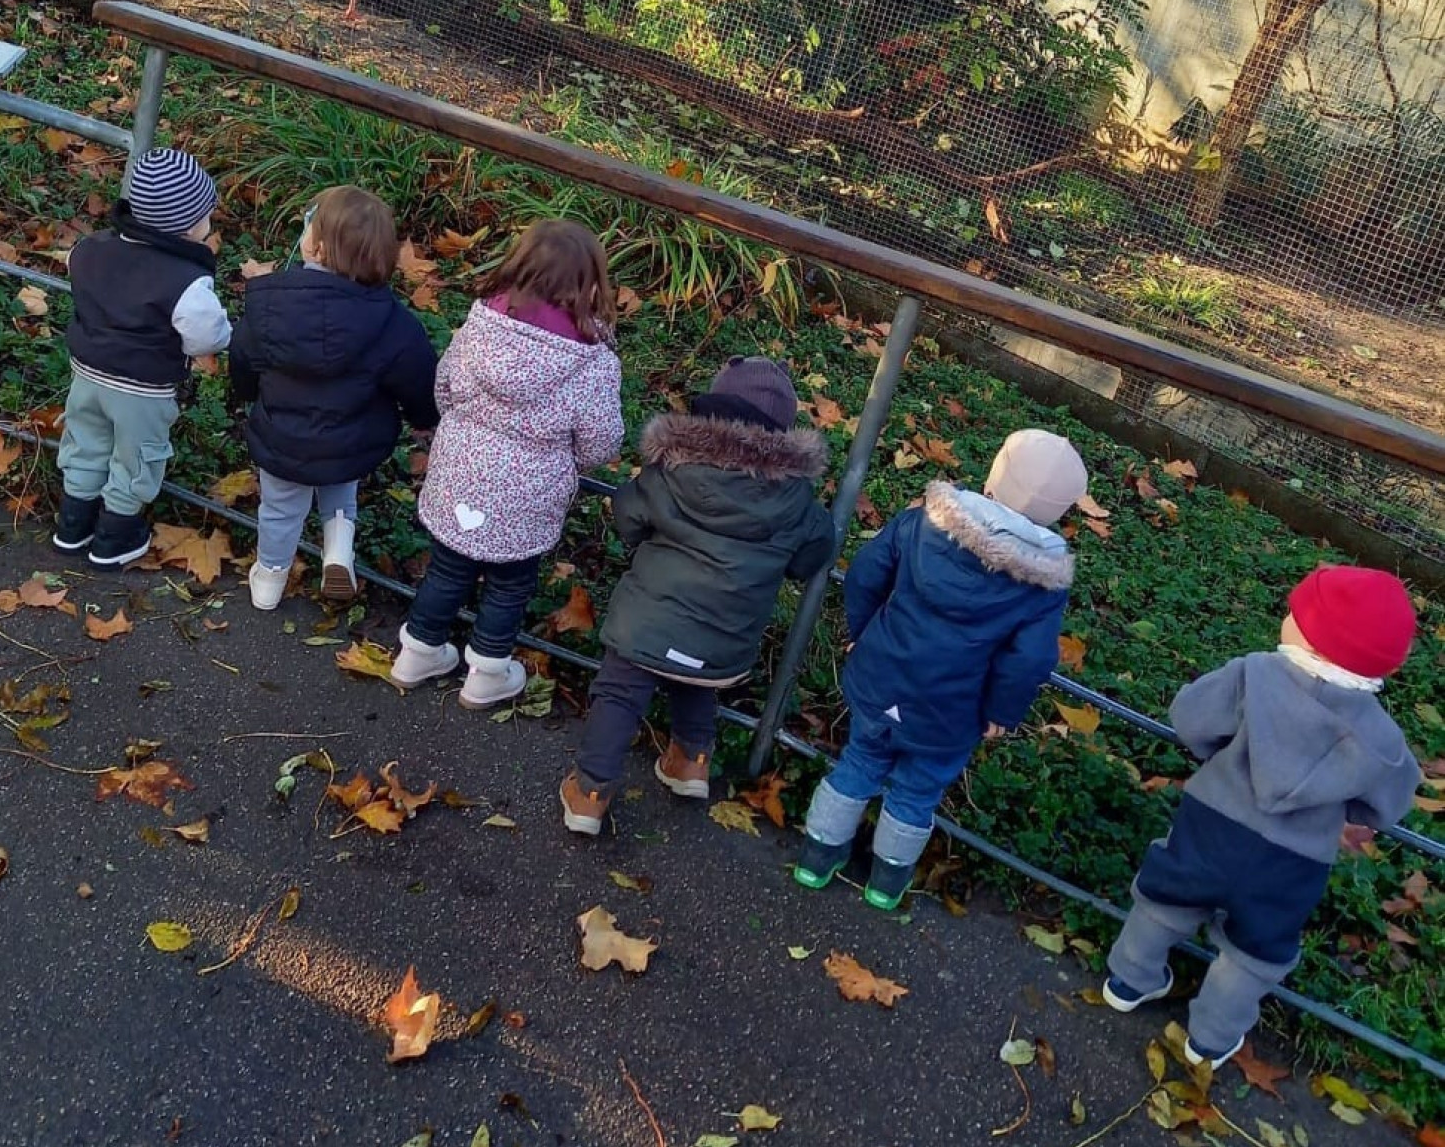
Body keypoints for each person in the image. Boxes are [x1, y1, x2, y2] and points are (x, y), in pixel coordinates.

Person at [1102, 564, 1419, 1067]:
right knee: (1254, 953)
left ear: (1309, 636)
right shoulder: (1382, 738)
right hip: (1294, 862)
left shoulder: (1254, 674)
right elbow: (1388, 805)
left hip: (1213, 822)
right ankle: (1210, 1039)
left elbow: (1190, 718)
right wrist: (1347, 803)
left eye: (1294, 613)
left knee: (1167, 898)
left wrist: (1217, 750)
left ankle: (1129, 978)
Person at [795, 428, 1087, 909]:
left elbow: (866, 572)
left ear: (994, 477)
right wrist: (1001, 711)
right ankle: (885, 884)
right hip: (951, 711)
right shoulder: (1043, 585)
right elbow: (1030, 658)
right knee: (917, 791)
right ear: (1059, 512)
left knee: (859, 760)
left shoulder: (923, 522)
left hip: (881, 676)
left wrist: (862, 631)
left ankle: (816, 856)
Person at [560, 357, 835, 836]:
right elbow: (813, 554)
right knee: (698, 677)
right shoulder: (796, 498)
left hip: (650, 621)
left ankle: (590, 793)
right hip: (727, 635)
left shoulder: (673, 467)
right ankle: (691, 762)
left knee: (620, 692)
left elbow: (628, 515)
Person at [390, 219, 624, 709]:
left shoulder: (480, 326)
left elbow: (444, 388)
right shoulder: (593, 361)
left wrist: (463, 429)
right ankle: (487, 673)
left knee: (447, 569)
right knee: (510, 583)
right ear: (590, 284)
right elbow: (601, 440)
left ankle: (417, 652)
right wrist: (570, 463)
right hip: (530, 493)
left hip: (460, 472)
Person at [229, 186, 439, 611]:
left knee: (280, 509)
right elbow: (418, 376)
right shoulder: (393, 322)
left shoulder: (269, 306)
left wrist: (247, 394)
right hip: (353, 437)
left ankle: (269, 578)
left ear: (318, 247)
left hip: (283, 436)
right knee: (340, 487)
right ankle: (339, 550)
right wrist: (424, 416)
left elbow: (243, 357)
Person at [53, 148, 232, 568]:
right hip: (142, 389)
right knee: (136, 456)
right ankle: (115, 535)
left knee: (86, 441)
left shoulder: (89, 249)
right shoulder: (186, 282)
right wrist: (224, 337)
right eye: (206, 215)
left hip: (87, 373)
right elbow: (205, 336)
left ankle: (73, 523)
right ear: (188, 226)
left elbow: (80, 280)